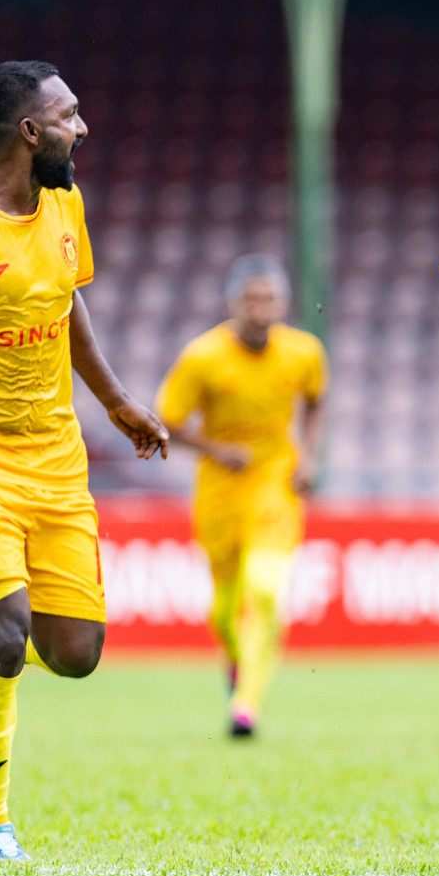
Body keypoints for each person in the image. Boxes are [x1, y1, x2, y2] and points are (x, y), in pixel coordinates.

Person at [0, 61, 169, 861]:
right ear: (30, 132)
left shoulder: (63, 201)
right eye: (70, 115)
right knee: (5, 639)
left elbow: (68, 298)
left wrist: (116, 400)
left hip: (57, 460)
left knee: (75, 654)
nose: (85, 127)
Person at [155, 254, 327, 739]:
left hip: (275, 480)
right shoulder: (203, 357)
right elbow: (166, 419)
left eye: (268, 299)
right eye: (251, 300)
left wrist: (309, 456)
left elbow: (315, 402)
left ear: (283, 303)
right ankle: (236, 663)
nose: (260, 309)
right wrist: (214, 449)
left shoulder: (304, 352)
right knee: (224, 611)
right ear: (233, 304)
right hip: (219, 490)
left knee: (267, 588)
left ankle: (246, 704)